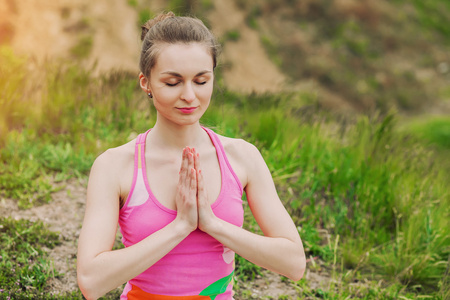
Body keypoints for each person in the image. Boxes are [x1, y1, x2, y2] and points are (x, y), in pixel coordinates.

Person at [77, 11, 306, 300]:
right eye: (173, 82)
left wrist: (211, 224)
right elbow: (90, 280)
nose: (189, 95)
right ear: (145, 83)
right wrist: (180, 227)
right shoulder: (114, 166)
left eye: (201, 81)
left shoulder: (242, 157)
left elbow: (294, 263)